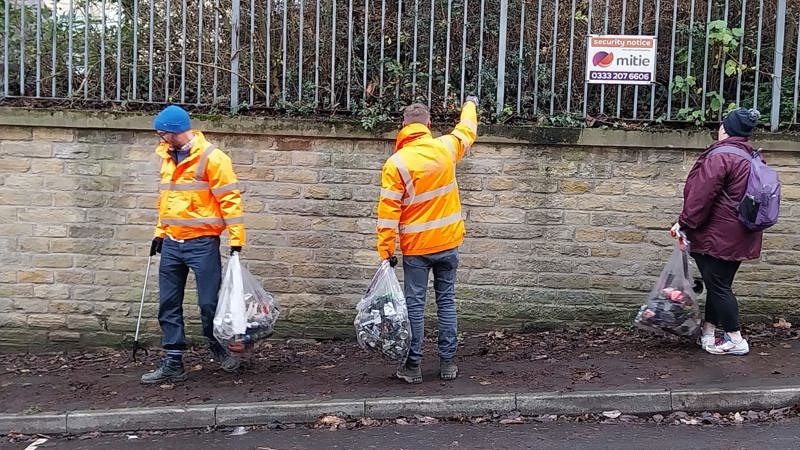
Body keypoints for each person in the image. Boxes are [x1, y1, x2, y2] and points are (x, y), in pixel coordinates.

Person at [376, 97, 479, 383]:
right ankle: (448, 364)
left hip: (417, 248)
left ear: (403, 127)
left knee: (415, 306)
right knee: (446, 302)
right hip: (448, 243)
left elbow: (388, 212)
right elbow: (467, 129)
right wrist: (470, 103)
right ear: (429, 125)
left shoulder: (396, 164)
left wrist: (386, 250)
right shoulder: (445, 147)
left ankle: (413, 367)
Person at [141, 105, 246, 384]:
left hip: (202, 244)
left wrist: (236, 239)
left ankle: (217, 344)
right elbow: (167, 201)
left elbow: (230, 200)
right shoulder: (166, 157)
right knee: (168, 303)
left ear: (176, 131)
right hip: (172, 243)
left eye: (163, 133)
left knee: (209, 302)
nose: (160, 139)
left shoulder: (213, 158)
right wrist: (159, 232)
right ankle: (173, 360)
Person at [671, 107, 763, 356]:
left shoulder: (720, 156)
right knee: (718, 284)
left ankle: (735, 339)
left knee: (719, 286)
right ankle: (708, 332)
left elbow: (701, 196)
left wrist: (684, 222)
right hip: (742, 232)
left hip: (719, 234)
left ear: (725, 129)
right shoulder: (752, 156)